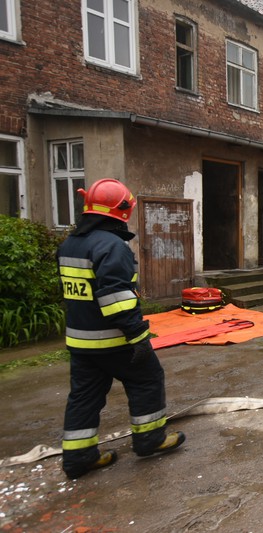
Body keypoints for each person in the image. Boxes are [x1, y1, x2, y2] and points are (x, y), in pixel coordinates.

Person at [57, 178, 185, 479]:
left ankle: (78, 458)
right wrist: (138, 337)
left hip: (80, 342)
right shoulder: (112, 246)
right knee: (147, 379)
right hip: (114, 340)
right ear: (122, 210)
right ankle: (150, 440)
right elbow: (116, 298)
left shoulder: (70, 244)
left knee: (84, 396)